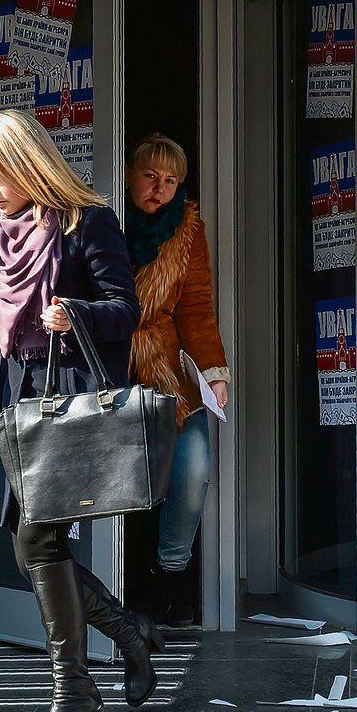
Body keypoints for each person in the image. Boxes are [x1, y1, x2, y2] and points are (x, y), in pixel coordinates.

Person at [0, 109, 160, 712]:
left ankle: (73, 694)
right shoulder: (7, 232)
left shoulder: (86, 224)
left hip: (68, 400)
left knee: (37, 545)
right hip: (24, 401)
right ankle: (128, 636)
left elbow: (126, 309)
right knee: (30, 551)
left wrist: (72, 312)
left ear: (28, 165)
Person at [123, 133, 229, 628]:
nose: (158, 189)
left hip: (165, 362)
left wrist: (213, 370)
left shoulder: (188, 230)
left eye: (170, 181)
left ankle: (172, 575)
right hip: (112, 362)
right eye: (150, 175)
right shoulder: (103, 222)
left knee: (193, 470)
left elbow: (196, 305)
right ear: (128, 175)